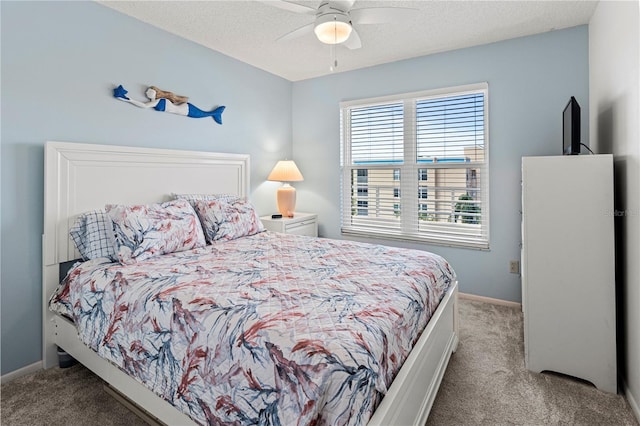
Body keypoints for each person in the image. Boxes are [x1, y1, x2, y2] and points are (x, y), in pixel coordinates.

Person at [113, 85, 225, 124]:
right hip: (184, 110)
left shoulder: (158, 101)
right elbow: (146, 105)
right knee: (203, 114)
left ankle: (215, 113)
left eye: (150, 91)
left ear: (155, 93)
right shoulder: (157, 102)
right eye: (148, 92)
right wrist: (127, 99)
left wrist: (128, 99)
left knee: (202, 114)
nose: (147, 93)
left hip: (186, 110)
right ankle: (215, 113)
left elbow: (144, 105)